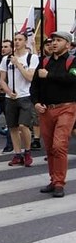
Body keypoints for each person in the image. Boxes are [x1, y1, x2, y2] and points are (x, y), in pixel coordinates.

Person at [31, 30, 76, 198]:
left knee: (59, 146)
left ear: (68, 44)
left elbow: (72, 79)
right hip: (46, 110)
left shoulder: (73, 62)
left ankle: (59, 183)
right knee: (49, 147)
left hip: (67, 108)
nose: (54, 43)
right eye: (52, 40)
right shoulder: (44, 62)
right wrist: (35, 102)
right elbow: (34, 85)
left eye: (58, 40)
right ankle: (53, 179)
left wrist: (49, 75)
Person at [0, 32, 38, 167]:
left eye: (20, 39)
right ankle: (17, 154)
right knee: (13, 127)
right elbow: (2, 80)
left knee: (23, 125)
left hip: (25, 96)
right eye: (15, 39)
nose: (17, 42)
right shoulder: (6, 59)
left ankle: (27, 151)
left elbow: (30, 77)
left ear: (25, 42)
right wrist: (8, 91)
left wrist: (18, 64)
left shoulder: (31, 58)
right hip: (10, 97)